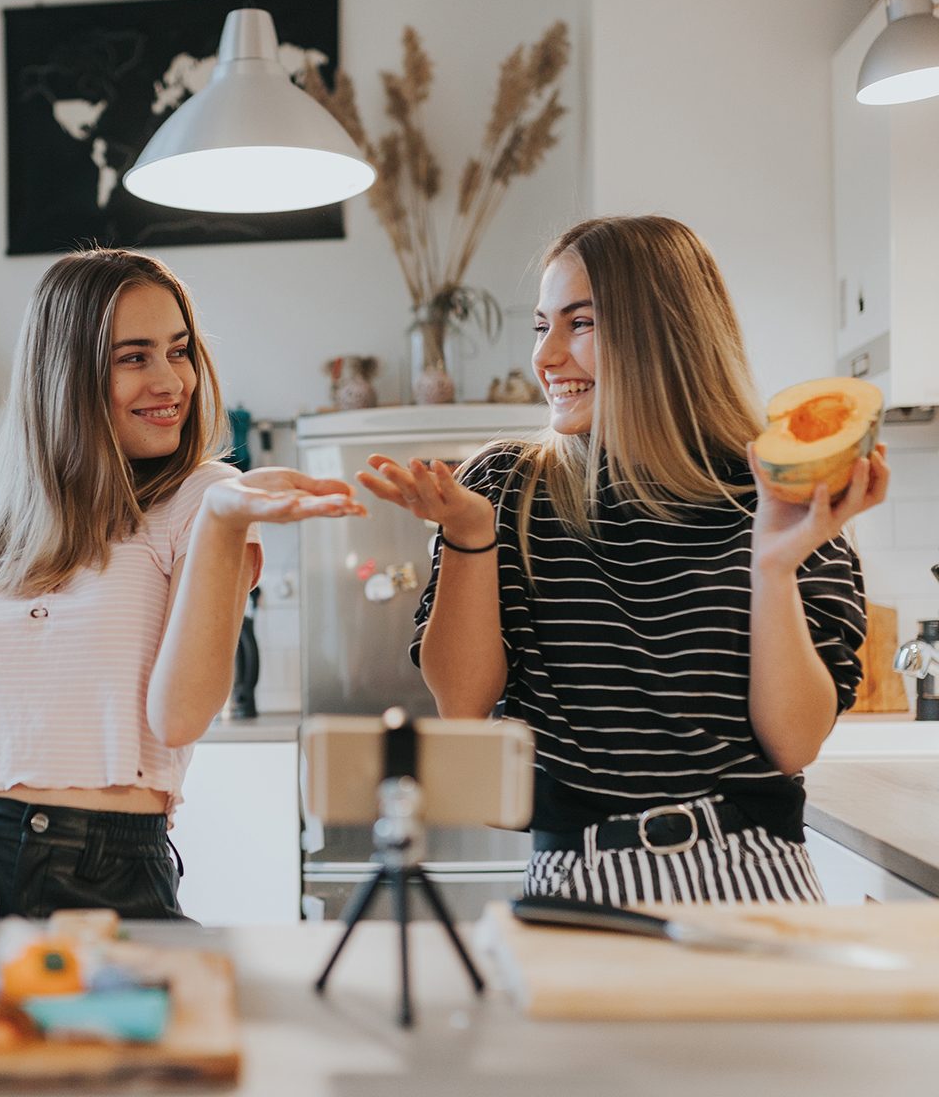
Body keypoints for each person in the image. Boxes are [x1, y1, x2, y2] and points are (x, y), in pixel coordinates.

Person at [0, 248, 365, 920]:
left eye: (178, 351)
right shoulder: (17, 527)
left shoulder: (205, 498)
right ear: (65, 376)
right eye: (134, 358)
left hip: (97, 871)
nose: (171, 381)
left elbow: (181, 717)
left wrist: (224, 520)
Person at [358, 215, 888, 906]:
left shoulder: (780, 494)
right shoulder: (502, 490)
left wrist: (772, 567)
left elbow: (791, 745)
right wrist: (467, 535)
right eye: (541, 326)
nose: (545, 358)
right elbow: (464, 704)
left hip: (754, 874)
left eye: (579, 324)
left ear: (669, 334)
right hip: (575, 875)